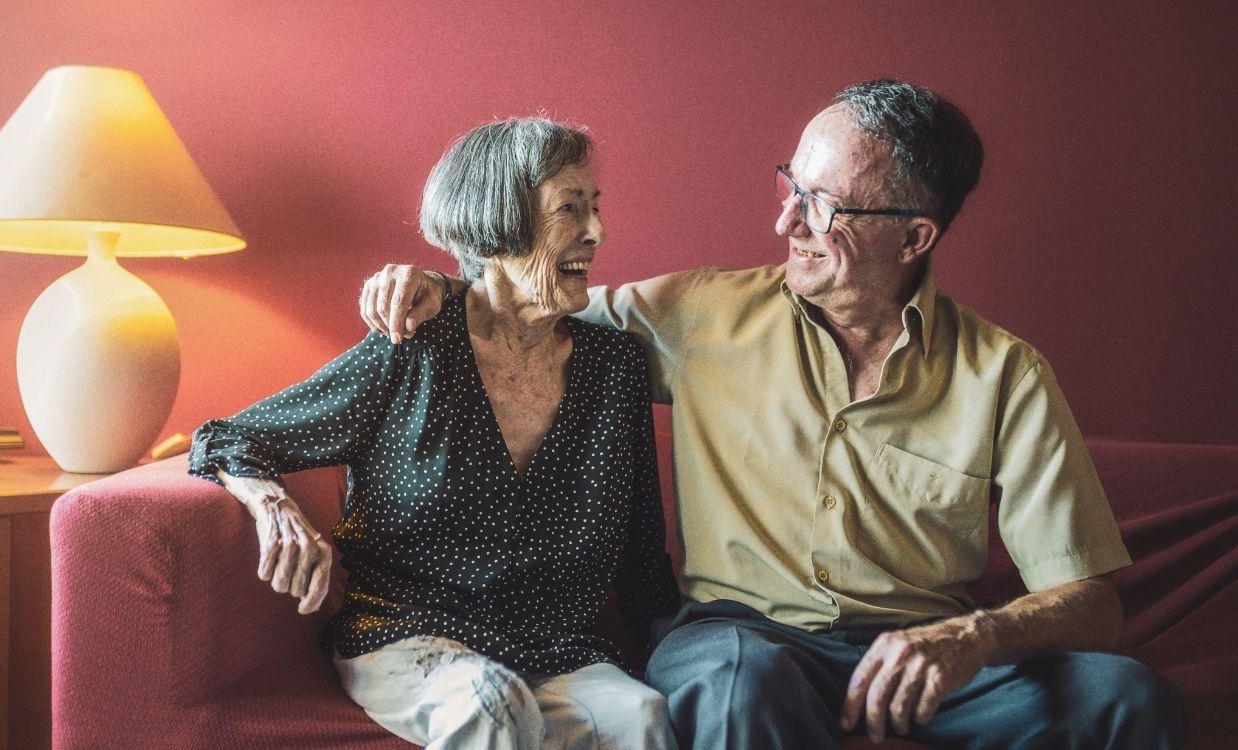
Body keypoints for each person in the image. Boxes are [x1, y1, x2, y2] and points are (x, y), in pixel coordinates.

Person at [356, 80, 1188, 749]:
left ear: (914, 237)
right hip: (742, 640)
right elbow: (526, 306)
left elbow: (1092, 602)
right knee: (736, 687)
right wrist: (440, 288)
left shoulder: (1006, 374)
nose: (784, 220)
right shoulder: (697, 313)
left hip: (923, 657)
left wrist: (968, 641)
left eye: (824, 205)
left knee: (1129, 698)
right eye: (790, 184)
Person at [189, 117, 681, 750]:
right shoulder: (413, 345)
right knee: (490, 705)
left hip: (558, 646)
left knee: (641, 716)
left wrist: (685, 653)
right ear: (501, 219)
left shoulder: (613, 368)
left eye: (595, 206)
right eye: (570, 208)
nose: (597, 230)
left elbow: (642, 552)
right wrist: (274, 507)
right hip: (407, 634)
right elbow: (232, 436)